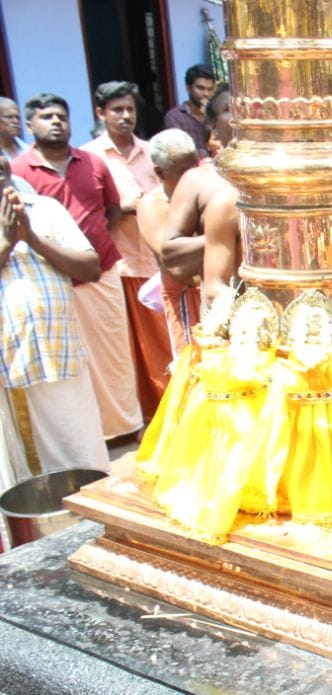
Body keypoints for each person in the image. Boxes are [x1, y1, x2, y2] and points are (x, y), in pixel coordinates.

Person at [12, 93, 142, 442]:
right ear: (30, 125)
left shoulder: (92, 162)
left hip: (101, 271)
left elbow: (112, 209)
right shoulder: (19, 172)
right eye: (46, 117)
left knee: (115, 353)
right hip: (54, 280)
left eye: (61, 116)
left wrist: (93, 239)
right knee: (74, 361)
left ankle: (127, 426)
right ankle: (92, 434)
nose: (55, 122)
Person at [0, 156, 109, 472]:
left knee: (83, 456)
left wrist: (32, 238)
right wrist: (8, 241)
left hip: (57, 351)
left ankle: (91, 515)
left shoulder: (45, 209)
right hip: (8, 361)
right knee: (17, 469)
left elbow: (90, 268)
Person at [84, 81, 171, 418]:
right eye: (117, 110)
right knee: (128, 347)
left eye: (130, 109)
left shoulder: (153, 152)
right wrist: (121, 206)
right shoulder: (89, 157)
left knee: (162, 341)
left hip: (155, 260)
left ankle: (167, 408)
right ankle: (140, 414)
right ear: (100, 113)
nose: (125, 116)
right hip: (118, 264)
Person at [161, 85, 235, 309]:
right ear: (213, 126)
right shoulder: (198, 180)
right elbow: (171, 252)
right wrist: (225, 237)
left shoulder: (285, 176)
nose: (242, 115)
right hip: (225, 307)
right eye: (230, 108)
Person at [137, 129, 202, 355]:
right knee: (193, 371)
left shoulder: (205, 191)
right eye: (184, 170)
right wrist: (219, 238)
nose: (193, 174)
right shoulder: (152, 206)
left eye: (196, 165)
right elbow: (178, 267)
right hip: (186, 294)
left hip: (213, 288)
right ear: (159, 172)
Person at [164, 64, 217, 159]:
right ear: (188, 88)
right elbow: (179, 152)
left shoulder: (216, 115)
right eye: (200, 88)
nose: (206, 94)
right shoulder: (175, 117)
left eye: (210, 89)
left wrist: (209, 117)